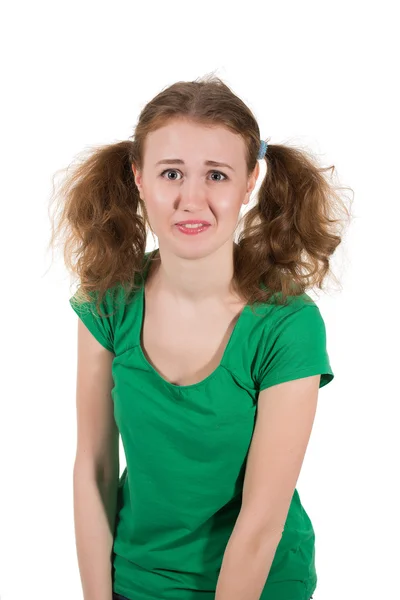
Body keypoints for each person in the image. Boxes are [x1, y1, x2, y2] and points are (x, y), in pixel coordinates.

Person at [48, 74, 352, 600]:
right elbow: (93, 467)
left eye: (216, 174)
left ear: (250, 180)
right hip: (136, 581)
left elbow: (260, 524)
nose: (192, 199)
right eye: (171, 173)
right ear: (139, 177)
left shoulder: (288, 326)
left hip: (261, 584)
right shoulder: (108, 303)